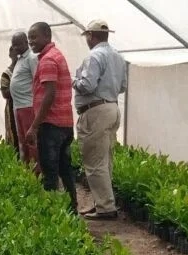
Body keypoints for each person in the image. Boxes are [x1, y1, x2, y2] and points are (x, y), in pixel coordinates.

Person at [73, 20, 127, 220]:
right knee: (105, 159)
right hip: (112, 108)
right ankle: (103, 203)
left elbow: (87, 85)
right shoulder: (118, 57)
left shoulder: (94, 56)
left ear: (90, 36)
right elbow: (122, 87)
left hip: (96, 111)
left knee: (94, 161)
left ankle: (105, 208)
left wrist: (74, 81)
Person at [26, 22, 78, 213]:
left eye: (34, 37)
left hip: (52, 124)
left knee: (50, 171)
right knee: (65, 168)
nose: (31, 41)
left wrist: (34, 126)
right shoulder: (57, 55)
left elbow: (49, 95)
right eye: (29, 37)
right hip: (64, 123)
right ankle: (72, 208)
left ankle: (52, 215)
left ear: (47, 36)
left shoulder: (48, 59)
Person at [10, 31, 40, 173]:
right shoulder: (20, 59)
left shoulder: (31, 58)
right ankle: (27, 170)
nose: (14, 47)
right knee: (22, 141)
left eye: (17, 44)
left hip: (28, 106)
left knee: (31, 142)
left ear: (25, 43)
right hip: (19, 107)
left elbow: (37, 81)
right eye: (13, 45)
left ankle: (37, 172)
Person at [0, 46, 19, 156]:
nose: (16, 54)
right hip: (13, 108)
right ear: (10, 55)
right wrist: (18, 86)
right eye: (13, 51)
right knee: (14, 134)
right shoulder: (7, 74)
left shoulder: (27, 69)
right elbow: (5, 93)